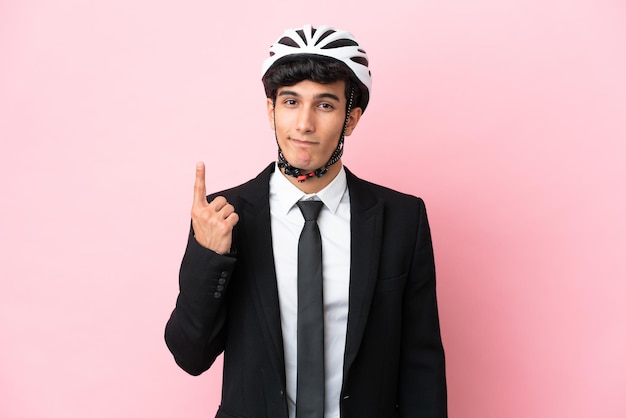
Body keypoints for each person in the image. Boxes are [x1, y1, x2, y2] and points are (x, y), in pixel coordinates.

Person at [165, 24, 447, 418]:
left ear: (351, 119)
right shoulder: (224, 215)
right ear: (271, 110)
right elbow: (190, 355)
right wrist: (210, 257)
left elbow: (422, 363)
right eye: (291, 102)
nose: (304, 125)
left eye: (326, 105)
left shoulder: (402, 218)